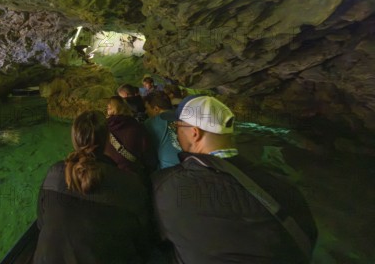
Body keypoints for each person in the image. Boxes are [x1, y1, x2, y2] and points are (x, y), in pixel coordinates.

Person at [152, 95, 318, 263]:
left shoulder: (168, 186)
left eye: (178, 127)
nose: (176, 132)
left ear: (194, 133)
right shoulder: (283, 184)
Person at [33, 110, 153, 263]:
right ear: (107, 139)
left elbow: (41, 223)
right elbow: (142, 239)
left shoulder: (54, 174)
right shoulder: (130, 184)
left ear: (74, 140)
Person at [105, 96, 158, 174]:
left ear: (109, 110)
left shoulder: (104, 128)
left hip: (111, 174)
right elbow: (148, 155)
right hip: (133, 174)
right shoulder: (137, 127)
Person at [143, 91, 181, 170]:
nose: (146, 112)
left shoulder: (150, 123)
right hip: (194, 164)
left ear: (156, 109)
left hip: (169, 171)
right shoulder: (183, 115)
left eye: (147, 108)